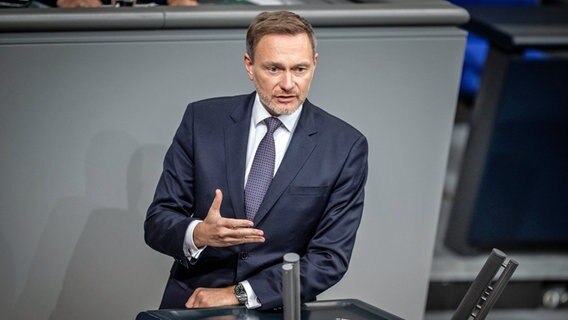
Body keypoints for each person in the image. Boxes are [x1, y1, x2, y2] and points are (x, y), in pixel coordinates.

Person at [144, 10, 368, 311]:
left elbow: (329, 258)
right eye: (274, 69)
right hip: (192, 299)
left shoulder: (345, 146)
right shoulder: (202, 121)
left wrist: (238, 293)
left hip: (277, 307)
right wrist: (199, 233)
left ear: (315, 63)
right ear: (249, 66)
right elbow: (158, 220)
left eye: (299, 69)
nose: (289, 84)